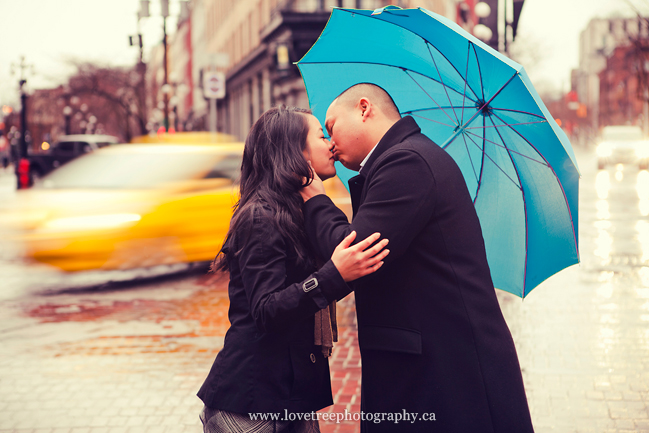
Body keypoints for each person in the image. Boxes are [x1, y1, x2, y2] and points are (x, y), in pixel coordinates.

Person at [300, 84, 534, 432]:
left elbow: (353, 252)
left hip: (447, 378)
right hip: (434, 371)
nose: (330, 142)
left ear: (364, 109)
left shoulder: (407, 162)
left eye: (332, 126)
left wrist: (314, 197)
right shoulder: (404, 158)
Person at [197, 105, 390, 433]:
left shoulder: (299, 212)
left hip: (292, 397)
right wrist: (334, 275)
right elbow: (266, 310)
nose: (330, 144)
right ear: (294, 151)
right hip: (250, 407)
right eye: (320, 135)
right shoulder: (261, 216)